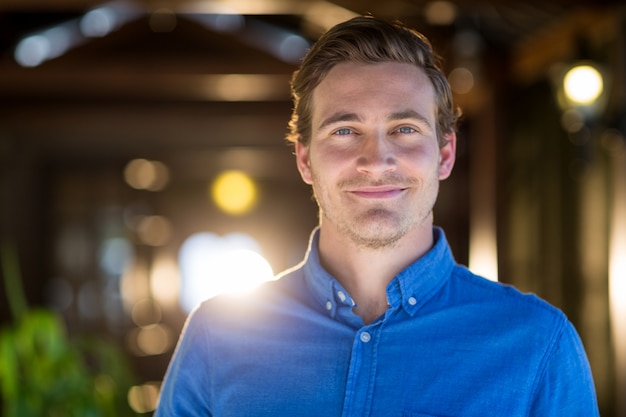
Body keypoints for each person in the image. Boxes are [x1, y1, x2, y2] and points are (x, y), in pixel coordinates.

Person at [155, 16, 599, 416]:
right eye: (345, 131)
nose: (375, 160)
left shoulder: (539, 344)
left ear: (445, 154)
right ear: (305, 160)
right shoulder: (215, 337)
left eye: (404, 129)